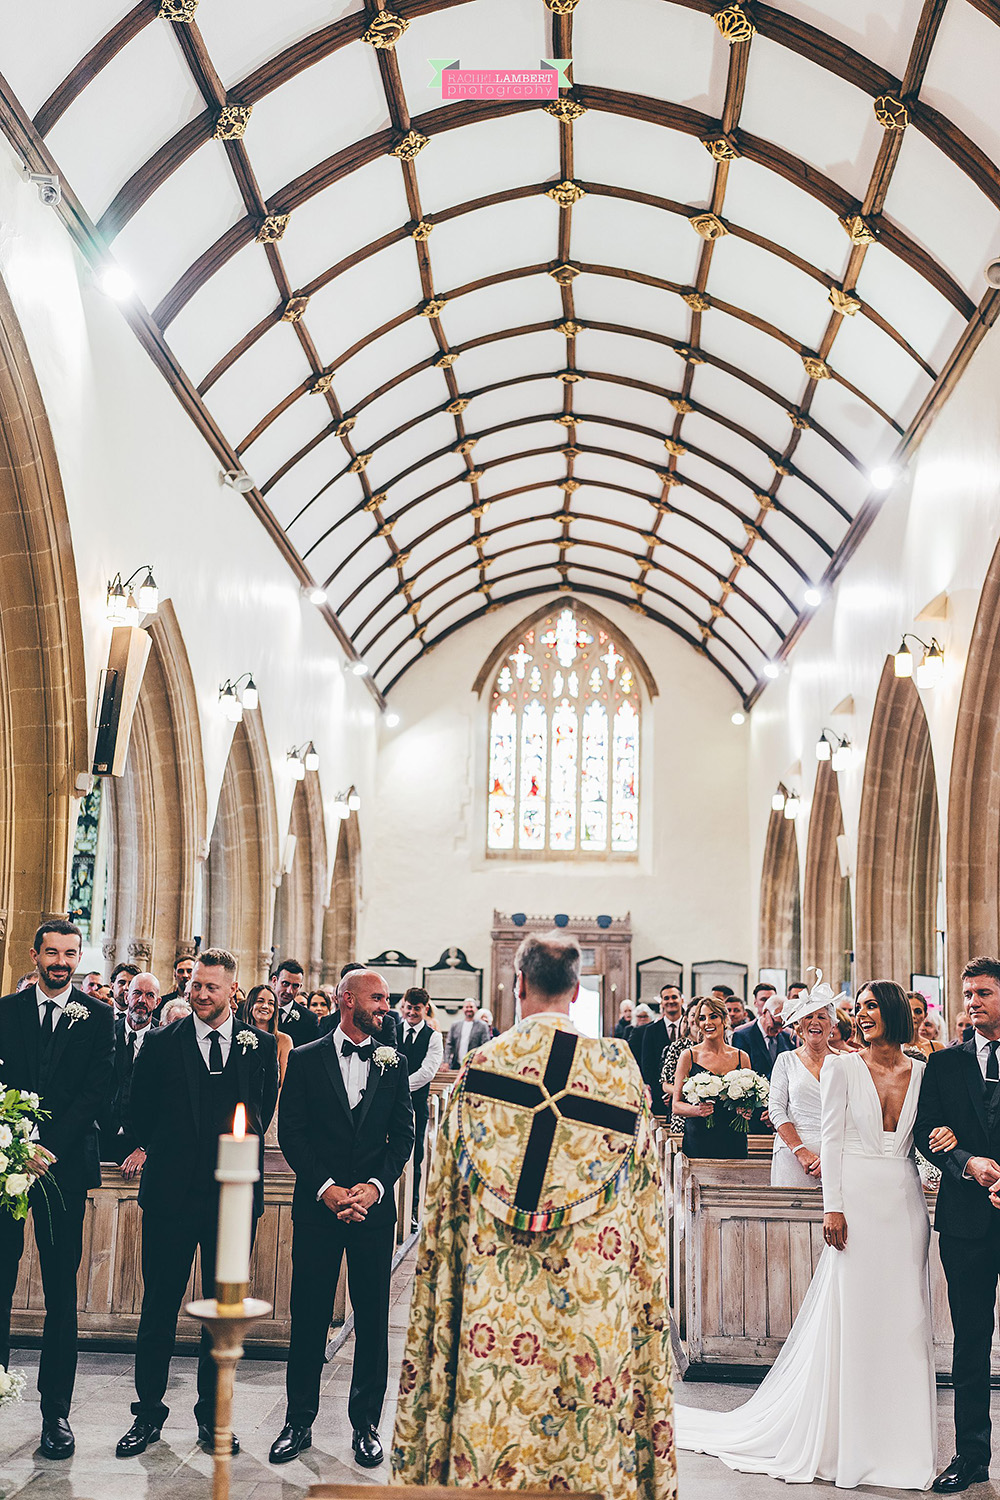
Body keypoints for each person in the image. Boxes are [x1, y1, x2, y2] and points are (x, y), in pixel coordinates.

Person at [392, 931, 677, 1500]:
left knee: (495, 1414)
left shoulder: (479, 1070)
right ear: (577, 990)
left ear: (516, 984)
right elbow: (649, 1204)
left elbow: (442, 1201)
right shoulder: (619, 1075)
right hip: (593, 1299)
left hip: (491, 1308)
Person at [677, 979, 953, 1489]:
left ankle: (905, 1447)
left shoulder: (922, 1071)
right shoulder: (843, 1068)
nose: (862, 1015)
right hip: (855, 1203)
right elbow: (829, 1138)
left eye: (871, 1007)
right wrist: (834, 1208)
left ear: (892, 1013)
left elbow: (929, 1133)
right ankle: (848, 1442)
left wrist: (951, 1142)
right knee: (855, 1316)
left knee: (906, 1318)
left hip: (904, 1202)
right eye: (860, 1008)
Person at [115, 949, 278, 1458]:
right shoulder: (163, 1043)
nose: (200, 994)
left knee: (222, 1312)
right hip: (170, 1195)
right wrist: (172, 1147)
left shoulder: (260, 1045)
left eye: (211, 987)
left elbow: (261, 1110)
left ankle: (213, 1417)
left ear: (235, 990)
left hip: (231, 1198)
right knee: (159, 1307)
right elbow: (137, 1110)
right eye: (196, 985)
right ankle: (147, 1415)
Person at [270, 968, 413, 1468]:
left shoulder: (393, 1063)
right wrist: (328, 1189)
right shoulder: (306, 1059)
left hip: (372, 1212)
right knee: (308, 1316)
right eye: (378, 998)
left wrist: (373, 1189)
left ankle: (366, 1425)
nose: (385, 1007)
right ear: (347, 1000)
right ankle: (297, 1420)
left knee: (372, 1319)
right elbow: (292, 1132)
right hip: (319, 1209)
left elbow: (403, 1137)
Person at [0, 920, 115, 1459]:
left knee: (60, 1295)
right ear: (35, 955)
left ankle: (56, 1413)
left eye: (71, 953)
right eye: (52, 953)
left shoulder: (98, 1017)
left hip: (63, 1172)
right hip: (6, 1169)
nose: (61, 962)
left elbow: (97, 1091)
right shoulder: (6, 1012)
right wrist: (15, 1144)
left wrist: (47, 1146)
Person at [915, 955, 1000, 1492]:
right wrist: (965, 1161)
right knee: (970, 1342)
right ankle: (970, 1458)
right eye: (967, 994)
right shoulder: (945, 1064)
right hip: (968, 1221)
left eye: (984, 993)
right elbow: (927, 1130)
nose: (972, 1002)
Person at [767, 981, 837, 1187]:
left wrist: (833, 1155)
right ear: (799, 1025)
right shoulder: (786, 1060)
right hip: (793, 1154)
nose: (815, 1022)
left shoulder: (845, 1062)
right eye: (808, 1016)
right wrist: (800, 1151)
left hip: (834, 1155)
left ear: (832, 1025)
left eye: (821, 1017)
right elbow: (776, 1110)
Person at [672, 997, 752, 1160]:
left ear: (724, 1019)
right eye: (702, 1018)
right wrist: (697, 1110)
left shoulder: (740, 1056)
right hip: (699, 1138)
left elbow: (749, 1099)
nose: (707, 1022)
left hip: (733, 1137)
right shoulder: (689, 1056)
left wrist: (747, 1109)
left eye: (713, 1016)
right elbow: (676, 1105)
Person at [103, 972, 160, 1176]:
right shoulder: (105, 1034)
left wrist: (146, 1148)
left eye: (149, 995)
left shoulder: (164, 1044)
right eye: (137, 993)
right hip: (100, 1141)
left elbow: (168, 1104)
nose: (142, 1000)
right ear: (127, 996)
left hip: (140, 1148)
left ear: (157, 1001)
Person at [398, 988, 444, 1230]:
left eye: (417, 1008)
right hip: (388, 1104)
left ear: (425, 1008)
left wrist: (398, 1085)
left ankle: (412, 1212)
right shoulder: (393, 1030)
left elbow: (428, 1071)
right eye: (408, 1007)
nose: (412, 1012)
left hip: (416, 1105)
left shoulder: (433, 1037)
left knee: (415, 1157)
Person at [640, 984, 685, 1113]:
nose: (670, 1001)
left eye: (674, 997)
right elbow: (648, 1068)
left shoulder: (691, 1027)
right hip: (660, 1099)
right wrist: (665, 1093)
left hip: (687, 1099)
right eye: (666, 998)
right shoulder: (651, 1031)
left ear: (681, 1000)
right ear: (662, 1002)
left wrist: (678, 1093)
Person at [732, 992, 794, 1079]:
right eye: (776, 1024)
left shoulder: (789, 1037)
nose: (779, 1030)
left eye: (784, 1026)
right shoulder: (742, 1036)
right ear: (765, 1012)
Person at [273, 958, 319, 1047]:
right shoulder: (260, 1011)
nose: (289, 991)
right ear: (275, 981)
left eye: (295, 986)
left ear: (300, 986)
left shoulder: (309, 1019)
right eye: (285, 983)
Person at [445, 998, 490, 1068]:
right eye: (467, 1007)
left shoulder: (482, 1026)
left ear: (476, 1009)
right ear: (463, 1009)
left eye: (471, 1007)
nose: (469, 1009)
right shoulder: (455, 1025)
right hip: (456, 1064)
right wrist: (446, 1062)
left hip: (473, 1065)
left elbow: (485, 1045)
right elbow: (449, 1045)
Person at [152, 953, 194, 1021]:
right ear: (175, 974)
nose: (185, 975)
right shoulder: (162, 1003)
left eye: (189, 971)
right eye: (181, 971)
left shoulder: (202, 1003)